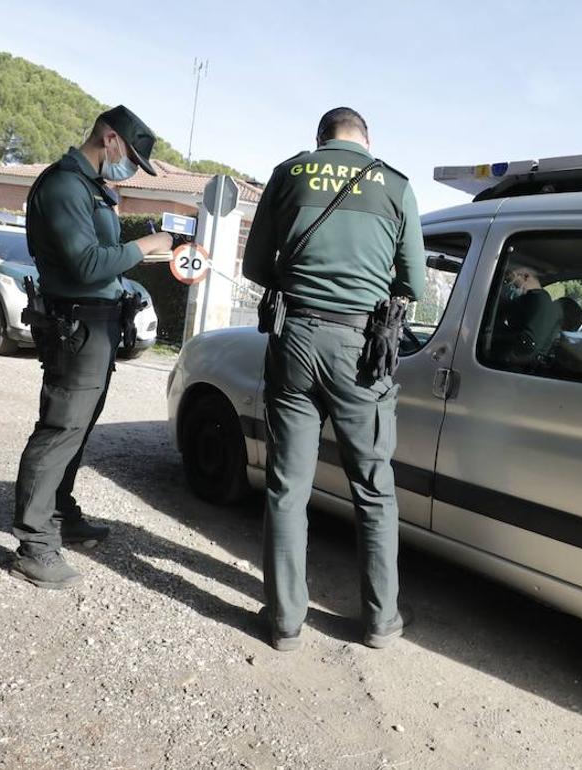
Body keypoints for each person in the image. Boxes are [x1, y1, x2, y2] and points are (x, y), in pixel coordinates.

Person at [242, 107, 425, 651]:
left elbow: (255, 264)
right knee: (373, 490)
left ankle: (284, 623)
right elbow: (413, 281)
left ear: (320, 139)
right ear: (366, 139)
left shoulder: (289, 173)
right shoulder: (395, 185)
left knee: (287, 487)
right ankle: (379, 620)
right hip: (360, 351)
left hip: (293, 340)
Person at [10, 106, 175, 589]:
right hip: (76, 325)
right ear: (110, 139)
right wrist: (147, 247)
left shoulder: (91, 188)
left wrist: (147, 252)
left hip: (98, 326)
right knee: (60, 427)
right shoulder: (64, 186)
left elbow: (102, 261)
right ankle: (34, 543)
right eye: (131, 158)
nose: (130, 169)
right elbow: (84, 265)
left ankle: (58, 512)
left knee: (78, 428)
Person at [491, 263, 562, 366]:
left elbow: (528, 342)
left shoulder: (538, 299)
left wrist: (497, 335)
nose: (509, 284)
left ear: (525, 276)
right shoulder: (530, 299)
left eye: (511, 279)